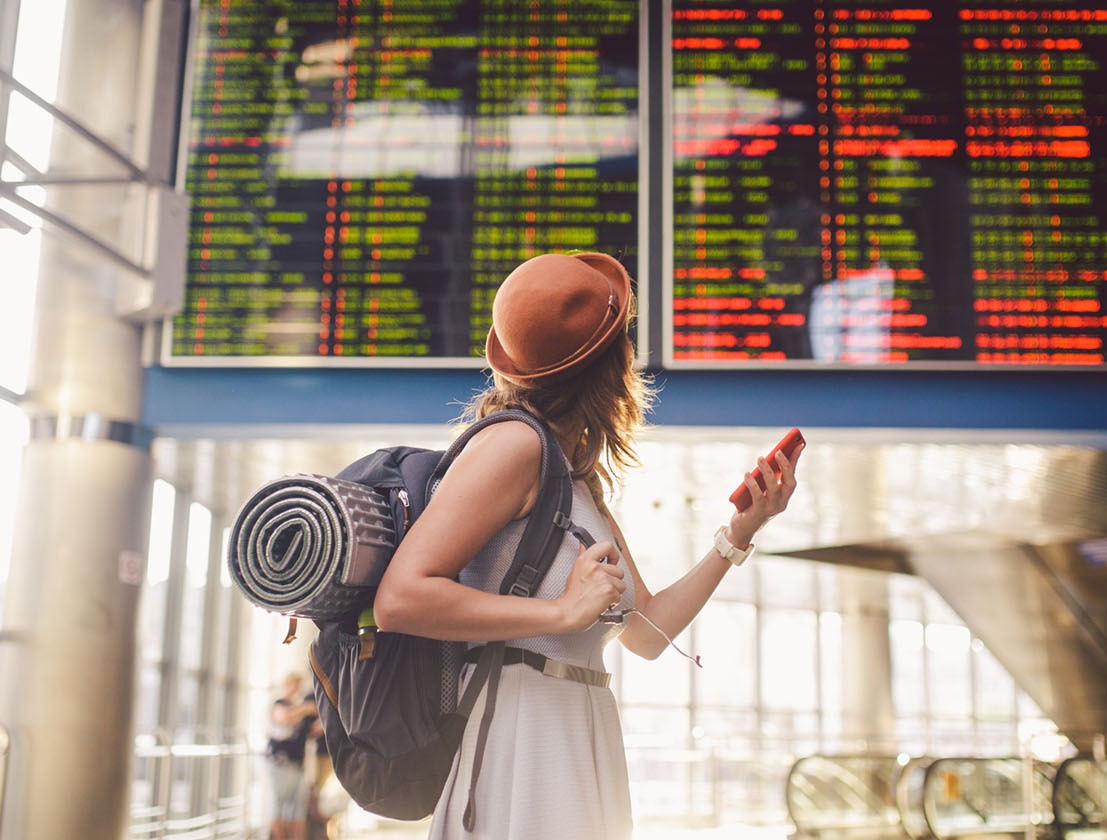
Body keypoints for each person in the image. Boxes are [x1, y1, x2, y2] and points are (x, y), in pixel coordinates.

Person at [374, 252, 803, 839]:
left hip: (577, 727)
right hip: (521, 740)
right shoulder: (513, 447)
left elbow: (647, 633)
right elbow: (399, 599)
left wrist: (739, 534)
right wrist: (558, 612)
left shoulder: (571, 474)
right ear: (612, 361)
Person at [265, 673, 318, 840]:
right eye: (294, 685)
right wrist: (305, 708)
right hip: (279, 766)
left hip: (298, 767)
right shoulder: (280, 705)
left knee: (298, 814)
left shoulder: (301, 710)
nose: (296, 689)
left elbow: (313, 731)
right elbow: (283, 718)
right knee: (277, 810)